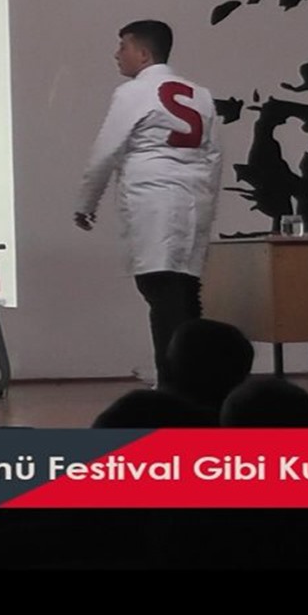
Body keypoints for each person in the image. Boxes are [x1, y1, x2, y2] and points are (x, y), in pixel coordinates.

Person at [73, 20, 222, 386]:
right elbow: (214, 156)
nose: (116, 54)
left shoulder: (134, 92)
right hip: (194, 201)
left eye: (122, 46)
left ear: (143, 54)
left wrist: (86, 201)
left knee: (159, 288)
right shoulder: (200, 94)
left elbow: (106, 151)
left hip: (153, 199)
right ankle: (196, 377)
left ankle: (172, 381)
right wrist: (206, 201)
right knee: (186, 290)